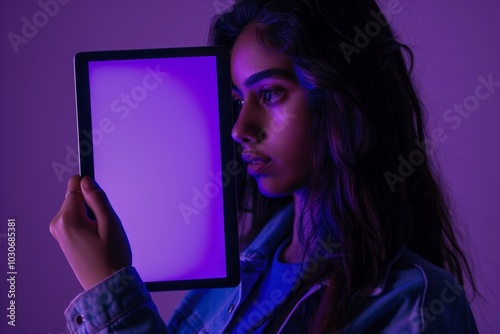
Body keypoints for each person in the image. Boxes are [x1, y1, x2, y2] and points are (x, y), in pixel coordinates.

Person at [50, 0, 479, 332]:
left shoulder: (413, 305)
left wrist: (113, 296)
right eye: (237, 101)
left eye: (270, 94)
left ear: (344, 98)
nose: (240, 128)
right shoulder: (223, 286)